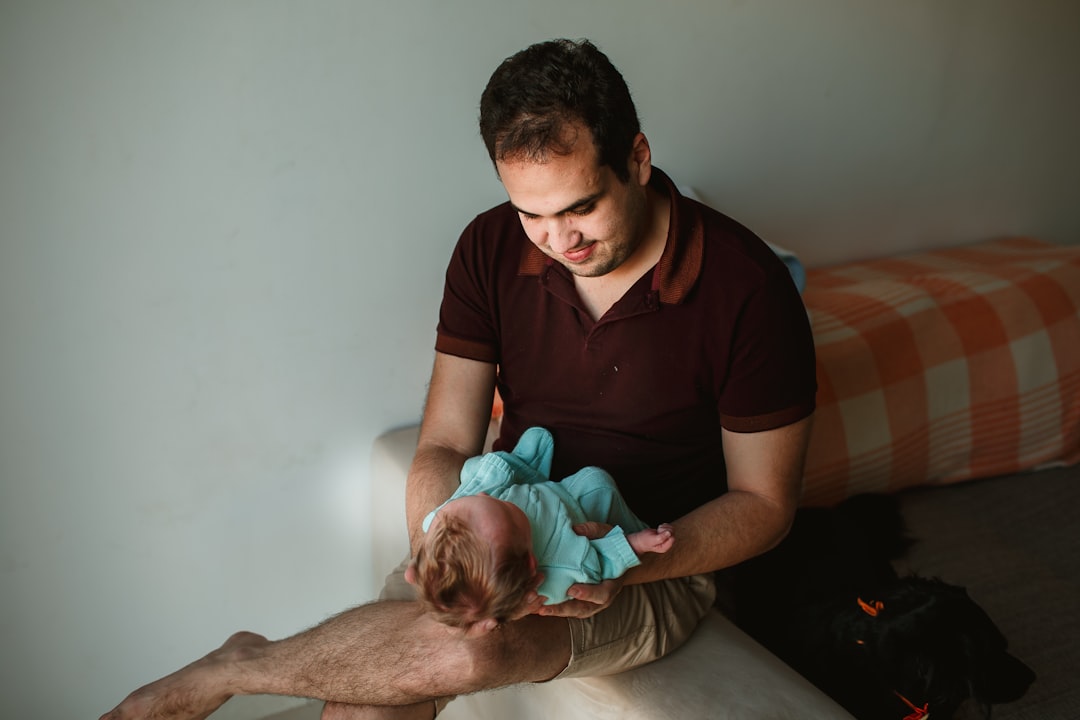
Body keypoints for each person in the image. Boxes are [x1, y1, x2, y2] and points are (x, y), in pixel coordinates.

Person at [100, 37, 816, 720]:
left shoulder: (746, 288)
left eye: (580, 207)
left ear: (636, 158)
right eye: (532, 213)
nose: (559, 241)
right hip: (498, 519)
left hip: (638, 565)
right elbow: (445, 441)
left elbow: (764, 505)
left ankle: (239, 669)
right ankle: (242, 662)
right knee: (366, 701)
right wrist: (444, 538)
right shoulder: (489, 247)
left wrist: (614, 568)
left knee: (466, 654)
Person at [409, 426, 675, 633]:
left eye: (478, 501)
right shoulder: (556, 568)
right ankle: (635, 523)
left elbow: (474, 491)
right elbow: (599, 562)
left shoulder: (450, 520)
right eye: (502, 508)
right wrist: (635, 543)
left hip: (536, 488)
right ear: (531, 560)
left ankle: (525, 463)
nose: (484, 495)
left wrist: (420, 562)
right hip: (573, 502)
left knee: (479, 472)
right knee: (597, 483)